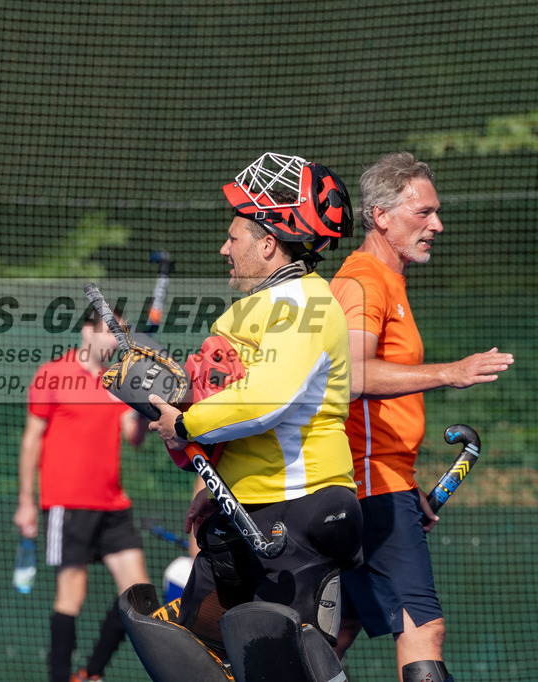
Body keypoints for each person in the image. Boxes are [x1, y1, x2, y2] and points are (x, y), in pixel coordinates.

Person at [133, 153, 364, 680]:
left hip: (300, 506)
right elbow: (239, 403)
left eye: (234, 236)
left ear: (268, 243)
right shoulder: (253, 308)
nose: (223, 248)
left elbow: (268, 399)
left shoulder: (306, 300)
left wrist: (186, 424)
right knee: (188, 649)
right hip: (248, 507)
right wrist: (212, 492)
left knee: (288, 668)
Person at [329, 152, 513, 682]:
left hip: (383, 484)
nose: (437, 224)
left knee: (335, 633)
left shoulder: (387, 280)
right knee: (423, 630)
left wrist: (405, 488)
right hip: (368, 487)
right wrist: (452, 372)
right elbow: (355, 376)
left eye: (436, 212)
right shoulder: (361, 282)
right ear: (380, 215)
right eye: (423, 212)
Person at [14, 306, 149, 682]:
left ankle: (91, 673)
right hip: (67, 503)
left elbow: (133, 438)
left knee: (140, 594)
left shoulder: (117, 382)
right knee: (72, 596)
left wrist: (142, 408)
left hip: (113, 505)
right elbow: (31, 440)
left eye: (120, 334)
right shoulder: (52, 374)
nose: (115, 341)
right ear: (87, 332)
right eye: (110, 332)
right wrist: (26, 502)